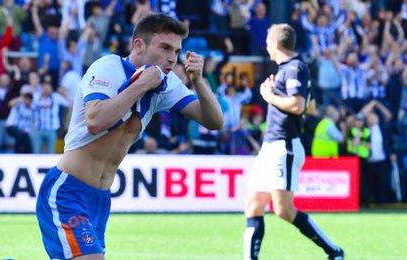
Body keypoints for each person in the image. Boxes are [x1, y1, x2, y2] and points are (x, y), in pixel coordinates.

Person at [35, 13, 223, 259]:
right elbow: (95, 121)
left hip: (100, 199)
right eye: (165, 48)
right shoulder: (109, 67)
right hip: (67, 191)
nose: (171, 58)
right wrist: (142, 84)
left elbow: (214, 121)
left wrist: (199, 82)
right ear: (138, 45)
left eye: (176, 51)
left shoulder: (166, 83)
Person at [243, 24, 344, 260]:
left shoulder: (294, 68)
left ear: (277, 43)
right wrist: (276, 90)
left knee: (284, 210)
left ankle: (333, 251)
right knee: (253, 205)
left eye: (268, 40)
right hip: (271, 144)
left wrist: (270, 96)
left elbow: (298, 106)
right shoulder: (288, 69)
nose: (266, 45)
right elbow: (310, 105)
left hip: (284, 145)